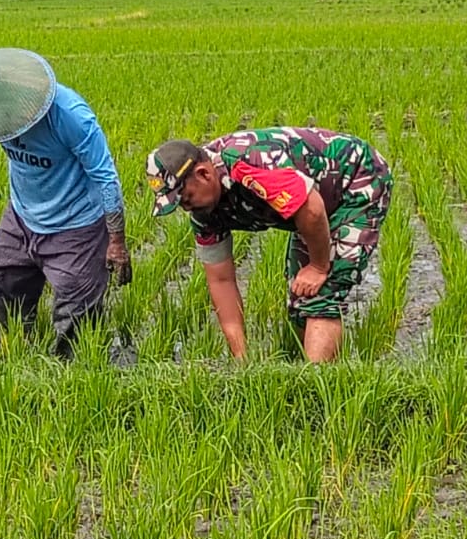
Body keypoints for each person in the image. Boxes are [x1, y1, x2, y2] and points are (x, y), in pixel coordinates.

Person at [0, 48, 130, 359]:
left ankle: (72, 379)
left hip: (75, 224)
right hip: (22, 216)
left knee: (78, 315)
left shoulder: (69, 116)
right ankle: (4, 367)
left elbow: (106, 178)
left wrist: (117, 241)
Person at [146, 128, 392, 363]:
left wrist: (318, 266)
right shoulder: (204, 212)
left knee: (321, 293)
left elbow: (313, 210)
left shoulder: (250, 165)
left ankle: (314, 391)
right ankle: (300, 370)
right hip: (310, 203)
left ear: (204, 174)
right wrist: (243, 360)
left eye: (186, 198)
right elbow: (220, 281)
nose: (186, 208)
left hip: (356, 181)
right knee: (300, 293)